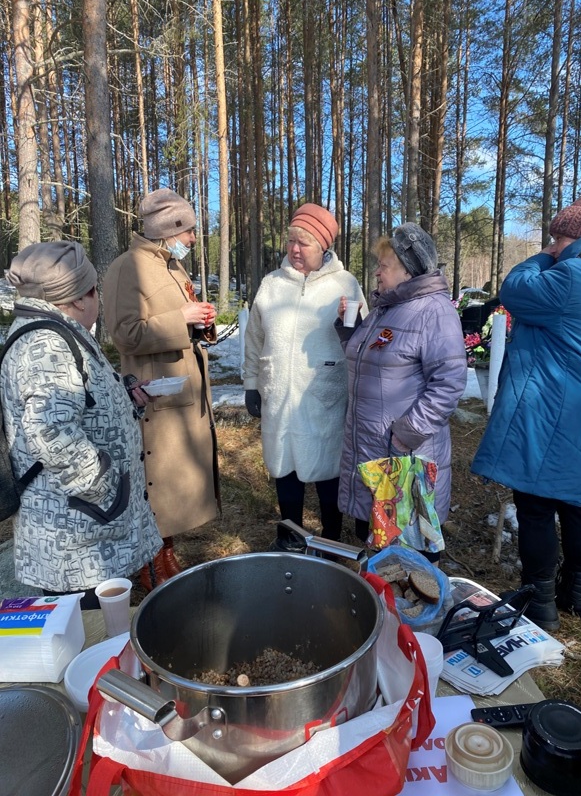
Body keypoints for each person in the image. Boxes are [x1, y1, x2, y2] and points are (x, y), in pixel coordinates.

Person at [0, 241, 162, 608]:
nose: (98, 301)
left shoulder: (61, 333)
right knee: (86, 634)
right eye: (95, 292)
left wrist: (126, 400)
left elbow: (76, 407)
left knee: (97, 633)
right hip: (74, 540)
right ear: (78, 298)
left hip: (85, 526)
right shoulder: (47, 344)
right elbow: (52, 432)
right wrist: (104, 485)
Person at [472, 190, 581, 630]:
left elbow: (514, 289)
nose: (553, 245)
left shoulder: (575, 276)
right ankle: (579, 597)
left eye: (558, 237)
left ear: (580, 236)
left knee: (536, 508)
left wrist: (542, 257)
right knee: (580, 505)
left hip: (551, 412)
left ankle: (540, 602)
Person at [103, 188, 220, 590]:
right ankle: (151, 559)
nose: (191, 240)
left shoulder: (172, 267)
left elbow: (178, 318)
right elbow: (123, 334)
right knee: (158, 478)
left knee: (174, 482)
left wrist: (199, 323)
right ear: (167, 230)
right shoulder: (126, 267)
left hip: (182, 390)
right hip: (155, 394)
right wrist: (180, 318)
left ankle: (165, 550)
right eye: (186, 232)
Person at [337, 223, 467, 559]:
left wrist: (406, 434)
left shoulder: (434, 311)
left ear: (407, 271)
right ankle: (382, 604)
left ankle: (407, 607)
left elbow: (449, 383)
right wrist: (348, 327)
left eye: (383, 265)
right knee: (377, 541)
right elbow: (370, 361)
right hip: (371, 448)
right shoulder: (386, 308)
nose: (376, 272)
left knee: (410, 548)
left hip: (404, 456)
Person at [243, 203, 366, 543]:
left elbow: (362, 342)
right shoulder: (271, 284)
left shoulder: (345, 284)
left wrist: (349, 321)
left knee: (328, 470)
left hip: (324, 395)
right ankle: (291, 535)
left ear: (323, 246)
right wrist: (252, 383)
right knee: (284, 465)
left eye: (304, 243)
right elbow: (254, 338)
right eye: (291, 241)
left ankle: (330, 538)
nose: (295, 249)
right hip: (279, 393)